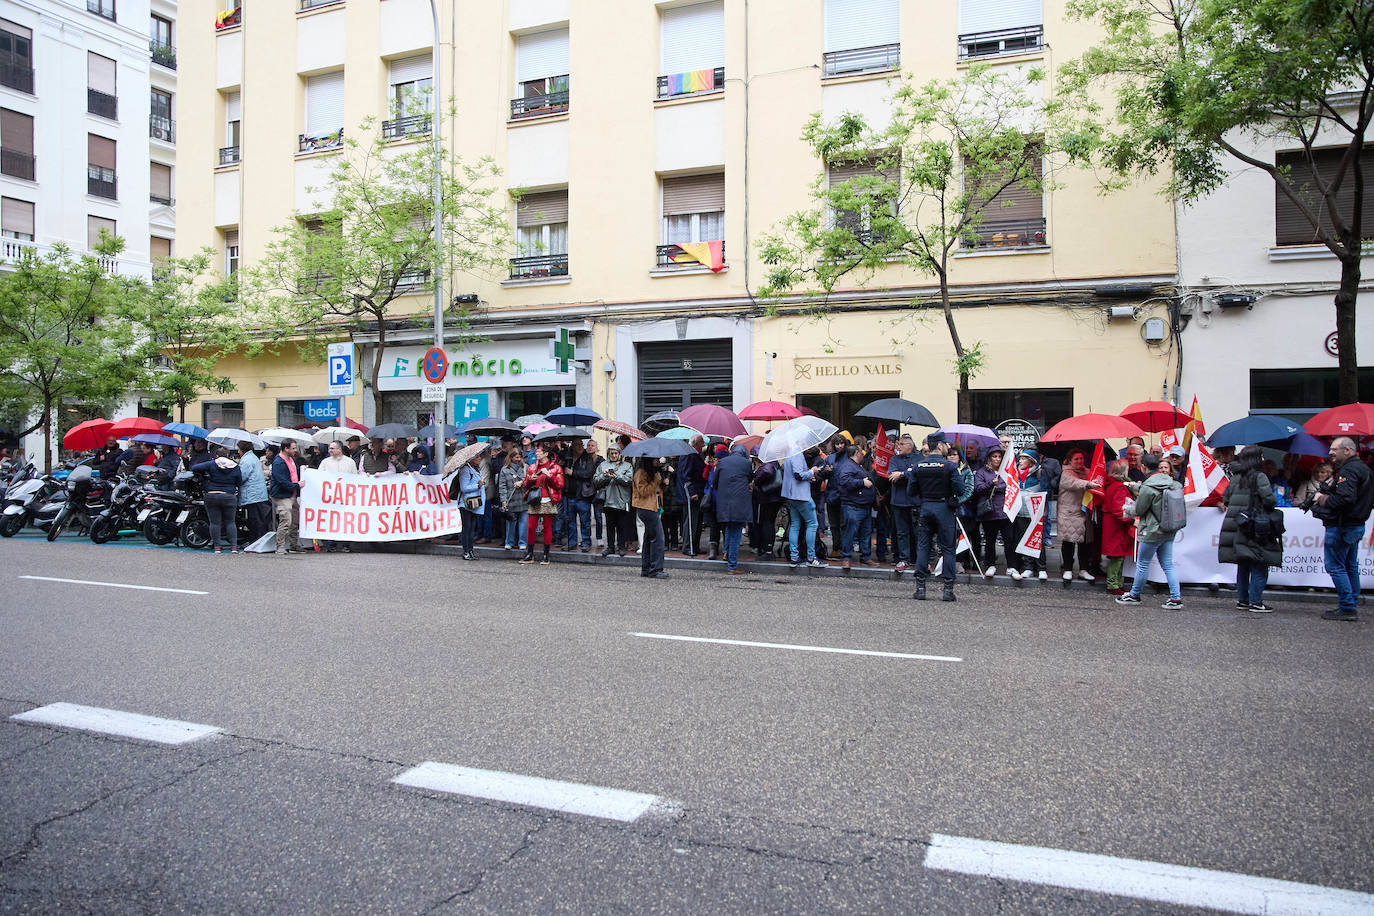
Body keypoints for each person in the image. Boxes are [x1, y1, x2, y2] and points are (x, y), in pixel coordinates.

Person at [1312, 436, 1373, 621]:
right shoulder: (1363, 468)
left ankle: (1347, 607)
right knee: (1349, 565)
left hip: (1343, 526)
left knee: (1335, 566)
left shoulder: (1350, 470)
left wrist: (1321, 498)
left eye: (1334, 449)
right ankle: (1350, 602)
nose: (1330, 452)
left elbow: (1345, 499)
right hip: (1355, 525)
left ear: (1347, 450)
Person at [1116, 452, 1182, 609]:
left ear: (1143, 467)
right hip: (1169, 528)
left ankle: (1134, 595)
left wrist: (1126, 508)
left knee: (1143, 564)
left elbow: (1139, 509)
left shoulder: (1148, 487)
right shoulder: (1172, 482)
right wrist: (1138, 487)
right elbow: (1155, 492)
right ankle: (1175, 598)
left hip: (1152, 531)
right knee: (1168, 564)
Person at [1218, 445, 1281, 612]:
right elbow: (1270, 500)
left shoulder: (1235, 477)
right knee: (1259, 562)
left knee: (1243, 563)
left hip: (1237, 525)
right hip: (1254, 526)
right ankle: (1256, 602)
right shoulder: (1260, 477)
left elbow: (1226, 499)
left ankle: (1243, 600)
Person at [900, 435, 959, 601]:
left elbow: (911, 492)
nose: (948, 447)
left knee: (923, 547)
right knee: (948, 549)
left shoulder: (918, 466)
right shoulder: (949, 466)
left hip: (926, 507)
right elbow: (960, 489)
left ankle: (920, 588)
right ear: (940, 446)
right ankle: (948, 590)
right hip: (944, 509)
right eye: (945, 444)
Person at [1056, 448, 1101, 582]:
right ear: (1069, 460)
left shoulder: (1088, 472)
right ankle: (1068, 569)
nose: (1079, 461)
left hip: (1085, 513)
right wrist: (1089, 484)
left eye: (1081, 458)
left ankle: (1083, 569)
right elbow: (1073, 483)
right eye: (1076, 459)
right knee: (1068, 542)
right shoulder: (1066, 473)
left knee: (1085, 544)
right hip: (1069, 513)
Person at [973, 447, 1016, 579]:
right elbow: (978, 488)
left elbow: (1011, 485)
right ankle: (990, 564)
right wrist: (990, 485)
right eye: (994, 456)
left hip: (1005, 511)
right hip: (990, 512)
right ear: (989, 458)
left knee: (1009, 539)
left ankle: (1011, 566)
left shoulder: (1006, 472)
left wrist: (997, 487)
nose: (997, 459)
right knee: (990, 540)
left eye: (999, 457)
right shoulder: (982, 472)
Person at [192, 446, 244, 555]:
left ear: (216, 455)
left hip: (212, 495)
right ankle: (234, 547)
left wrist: (206, 478)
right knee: (230, 522)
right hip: (229, 496)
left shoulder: (212, 464)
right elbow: (239, 482)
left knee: (215, 523)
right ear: (228, 455)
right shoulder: (235, 466)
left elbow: (195, 467)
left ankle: (217, 547)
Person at [713, 442, 754, 573]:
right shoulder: (746, 463)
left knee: (729, 528)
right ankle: (732, 565)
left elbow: (715, 482)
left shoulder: (722, 462)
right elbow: (749, 478)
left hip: (724, 501)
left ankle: (726, 552)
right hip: (740, 502)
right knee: (736, 532)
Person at [784, 446, 827, 569]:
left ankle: (794, 557)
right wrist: (812, 471)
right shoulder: (797, 454)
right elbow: (798, 475)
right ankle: (811, 557)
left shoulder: (790, 452)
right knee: (812, 525)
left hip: (791, 495)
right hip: (801, 496)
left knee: (795, 525)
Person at [521, 443, 563, 565]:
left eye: (539, 452)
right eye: (537, 452)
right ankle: (530, 554)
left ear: (546, 454)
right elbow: (525, 485)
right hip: (535, 499)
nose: (537, 453)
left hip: (548, 500)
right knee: (531, 527)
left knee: (547, 527)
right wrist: (530, 479)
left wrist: (549, 476)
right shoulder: (532, 467)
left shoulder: (555, 468)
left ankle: (546, 555)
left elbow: (560, 485)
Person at [833, 444, 875, 568]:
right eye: (862, 453)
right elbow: (844, 481)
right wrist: (862, 482)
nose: (863, 455)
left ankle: (866, 557)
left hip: (864, 505)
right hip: (853, 506)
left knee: (865, 533)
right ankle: (846, 558)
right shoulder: (847, 466)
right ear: (857, 453)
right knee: (850, 532)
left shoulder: (856, 466)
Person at [1011, 450, 1049, 580]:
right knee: (1024, 538)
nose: (1020, 461)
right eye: (1020, 459)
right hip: (1021, 512)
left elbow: (1046, 490)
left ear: (1031, 460)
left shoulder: (1039, 472)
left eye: (1023, 459)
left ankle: (1041, 568)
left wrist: (1034, 495)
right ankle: (1028, 567)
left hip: (1036, 511)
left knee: (1037, 539)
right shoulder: (1016, 473)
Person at [1101, 459, 1136, 596]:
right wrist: (1130, 519)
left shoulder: (1112, 484)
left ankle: (1116, 583)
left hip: (1112, 524)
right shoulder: (1120, 486)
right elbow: (1119, 508)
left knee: (1117, 556)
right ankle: (1113, 583)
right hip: (1117, 525)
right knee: (1118, 557)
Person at [886, 435, 919, 574]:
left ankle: (919, 558)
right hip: (898, 502)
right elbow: (892, 476)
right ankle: (904, 558)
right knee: (901, 532)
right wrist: (907, 474)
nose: (897, 446)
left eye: (901, 444)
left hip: (915, 501)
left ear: (909, 446)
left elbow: (918, 474)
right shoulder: (894, 459)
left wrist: (903, 474)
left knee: (917, 532)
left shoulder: (919, 458)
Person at [596, 443, 634, 557]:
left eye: (615, 453)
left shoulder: (627, 465)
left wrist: (616, 475)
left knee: (622, 525)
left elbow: (629, 480)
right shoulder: (603, 465)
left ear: (620, 454)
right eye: (611, 453)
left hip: (622, 500)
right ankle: (610, 547)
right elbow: (596, 480)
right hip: (608, 500)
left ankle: (621, 547)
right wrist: (605, 476)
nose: (613, 455)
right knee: (610, 526)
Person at [633, 457, 669, 578]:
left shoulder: (653, 472)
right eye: (655, 459)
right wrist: (656, 480)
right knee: (658, 538)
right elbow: (643, 492)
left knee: (649, 538)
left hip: (654, 507)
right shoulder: (641, 473)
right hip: (646, 508)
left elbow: (656, 491)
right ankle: (656, 569)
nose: (658, 461)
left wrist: (663, 484)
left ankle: (646, 569)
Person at [318, 441, 357, 553]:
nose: (329, 450)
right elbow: (319, 476)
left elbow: (355, 478)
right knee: (331, 519)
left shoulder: (350, 462)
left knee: (346, 519)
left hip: (346, 496)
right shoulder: (325, 462)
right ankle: (331, 544)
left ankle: (346, 544)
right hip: (330, 496)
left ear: (339, 449)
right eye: (329, 448)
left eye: (332, 448)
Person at [269, 439, 304, 555]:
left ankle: (294, 544)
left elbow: (294, 473)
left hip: (291, 494)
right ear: (286, 449)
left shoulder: (291, 459)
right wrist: (297, 485)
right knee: (286, 520)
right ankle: (280, 546)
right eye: (293, 448)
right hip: (283, 495)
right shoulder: (279, 462)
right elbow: (282, 481)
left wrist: (303, 470)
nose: (295, 450)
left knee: (294, 520)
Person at [568, 439, 601, 552]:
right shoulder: (568, 458)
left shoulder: (587, 458)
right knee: (571, 521)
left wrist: (573, 473)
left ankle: (586, 542)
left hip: (583, 495)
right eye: (578, 444)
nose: (581, 446)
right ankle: (572, 543)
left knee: (585, 521)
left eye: (582, 444)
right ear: (573, 446)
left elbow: (588, 474)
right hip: (570, 494)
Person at [675, 435, 706, 556]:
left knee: (697, 522)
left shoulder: (694, 455)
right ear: (695, 444)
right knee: (691, 522)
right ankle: (688, 546)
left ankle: (695, 546)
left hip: (698, 492)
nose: (703, 445)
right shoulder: (688, 454)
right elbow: (685, 475)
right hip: (691, 494)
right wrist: (692, 492)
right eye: (701, 443)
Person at [453, 448, 486, 561]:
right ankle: (466, 551)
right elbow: (464, 487)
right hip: (466, 503)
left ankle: (471, 550)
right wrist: (478, 485)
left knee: (472, 528)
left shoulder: (477, 470)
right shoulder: (465, 470)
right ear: (471, 458)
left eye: (479, 456)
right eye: (477, 456)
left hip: (475, 503)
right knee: (467, 528)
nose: (479, 458)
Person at [237, 441, 272, 544]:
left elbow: (242, 476)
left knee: (255, 519)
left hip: (252, 493)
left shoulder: (247, 460)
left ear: (242, 449)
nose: (238, 451)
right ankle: (258, 540)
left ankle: (256, 541)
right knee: (258, 518)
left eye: (239, 449)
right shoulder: (253, 457)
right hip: (258, 493)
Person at [498, 444, 530, 554]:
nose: (518, 459)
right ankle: (509, 542)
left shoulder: (525, 467)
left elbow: (530, 481)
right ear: (511, 457)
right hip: (510, 500)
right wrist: (503, 500)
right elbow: (502, 486)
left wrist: (522, 482)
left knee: (524, 522)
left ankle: (522, 542)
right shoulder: (504, 469)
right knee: (511, 522)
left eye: (519, 457)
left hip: (524, 499)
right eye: (516, 457)